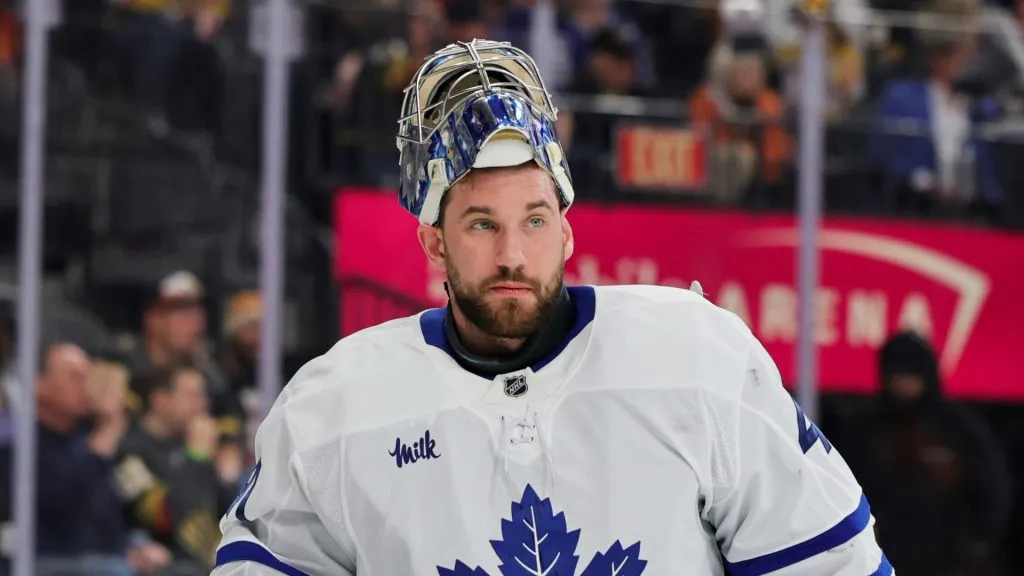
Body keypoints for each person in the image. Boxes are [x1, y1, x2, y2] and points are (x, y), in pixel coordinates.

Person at [210, 40, 892, 575]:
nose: (512, 253)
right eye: (482, 223)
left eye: (534, 221)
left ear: (566, 231)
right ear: (434, 241)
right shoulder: (335, 409)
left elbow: (832, 563)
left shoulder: (696, 356)